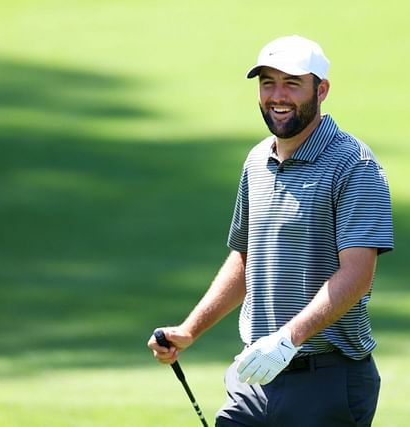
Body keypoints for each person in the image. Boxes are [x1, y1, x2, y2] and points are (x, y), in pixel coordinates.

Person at [147, 34, 394, 427]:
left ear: (322, 90)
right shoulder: (256, 161)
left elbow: (357, 275)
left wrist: (287, 339)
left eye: (292, 84)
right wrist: (189, 330)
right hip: (254, 380)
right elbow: (246, 258)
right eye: (267, 83)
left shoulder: (354, 165)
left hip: (327, 380)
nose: (277, 95)